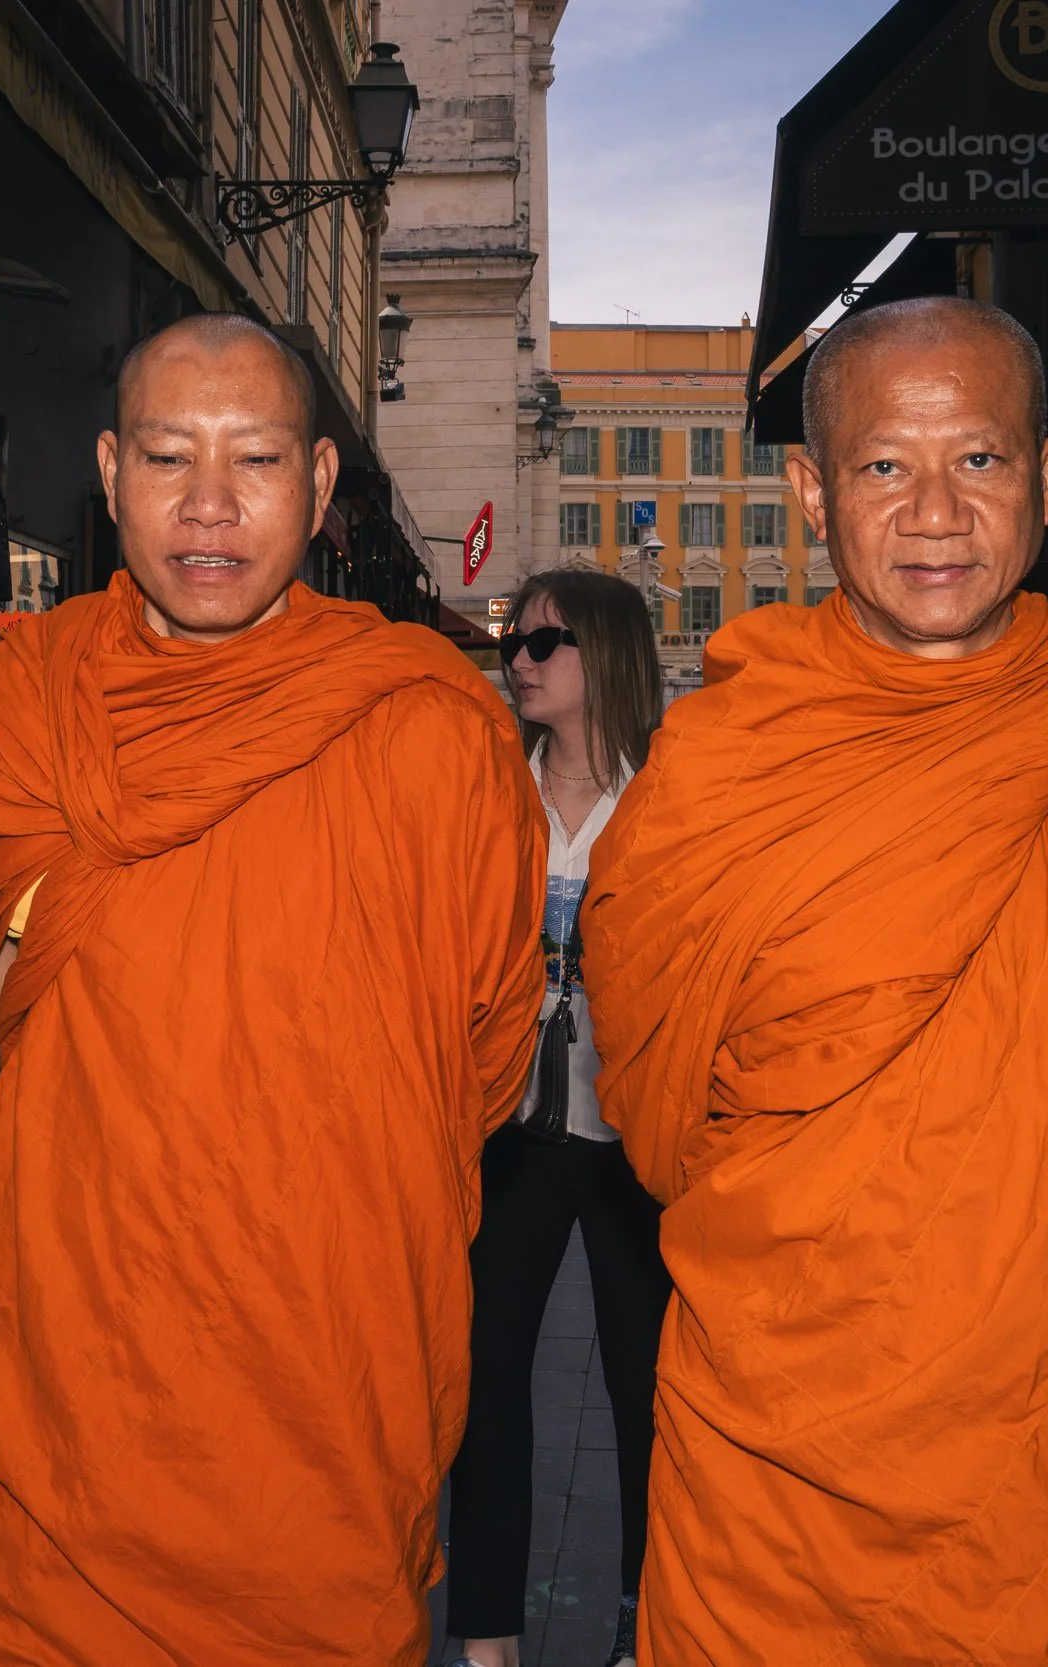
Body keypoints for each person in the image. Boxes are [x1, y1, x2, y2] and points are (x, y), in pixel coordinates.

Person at [584, 296, 1048, 1664]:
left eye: (979, 459)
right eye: (883, 466)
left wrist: (1038, 1150)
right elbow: (657, 1080)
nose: (935, 514)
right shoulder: (724, 763)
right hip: (778, 1440)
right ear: (807, 487)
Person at [0, 312, 546, 1666]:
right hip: (86, 1346)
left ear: (317, 485)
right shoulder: (12, 708)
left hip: (327, 1357)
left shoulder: (424, 719)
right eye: (169, 457)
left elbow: (485, 1058)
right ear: (111, 472)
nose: (208, 505)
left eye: (252, 460)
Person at [447, 571, 671, 1667]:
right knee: (483, 1384)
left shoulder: (671, 796)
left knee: (652, 1395)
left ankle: (646, 1627)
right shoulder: (489, 793)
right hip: (512, 1126)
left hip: (641, 1135)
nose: (520, 656)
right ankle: (486, 1638)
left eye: (546, 638)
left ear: (609, 652)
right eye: (512, 640)